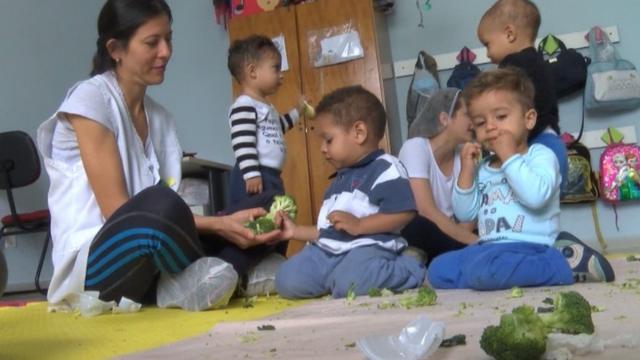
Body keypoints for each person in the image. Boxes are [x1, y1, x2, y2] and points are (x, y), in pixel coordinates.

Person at [37, 0, 282, 312]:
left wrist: (227, 222)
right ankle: (230, 272)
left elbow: (172, 221)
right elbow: (120, 212)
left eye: (169, 39)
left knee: (265, 206)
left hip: (154, 246)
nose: (165, 51)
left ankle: (216, 276)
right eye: (152, 42)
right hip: (97, 264)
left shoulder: (160, 118)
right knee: (162, 205)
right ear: (116, 49)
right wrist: (219, 226)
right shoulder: (91, 100)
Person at [427, 67, 575, 290]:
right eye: (480, 122)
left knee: (490, 269)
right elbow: (464, 213)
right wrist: (467, 171)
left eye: (501, 116)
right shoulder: (484, 167)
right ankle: (484, 275)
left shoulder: (541, 156)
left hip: (532, 246)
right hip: (488, 246)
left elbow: (536, 197)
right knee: (438, 269)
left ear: (529, 119)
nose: (491, 127)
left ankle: (564, 263)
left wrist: (509, 157)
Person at [274, 86, 426, 299]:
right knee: (285, 280)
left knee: (351, 284)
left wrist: (360, 225)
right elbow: (327, 232)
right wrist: (294, 231)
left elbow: (405, 212)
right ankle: (336, 278)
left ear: (359, 132)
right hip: (328, 252)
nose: (322, 149)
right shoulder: (339, 179)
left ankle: (409, 265)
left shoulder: (385, 167)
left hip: (368, 248)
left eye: (328, 140)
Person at [477, 0, 568, 188]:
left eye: (488, 44)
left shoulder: (511, 66)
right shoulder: (539, 63)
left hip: (535, 146)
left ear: (509, 34)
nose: (487, 54)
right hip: (554, 145)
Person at [398, 88, 478, 264]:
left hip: (454, 238)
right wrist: (476, 243)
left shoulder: (465, 154)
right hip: (428, 231)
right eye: (468, 115)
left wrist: (471, 240)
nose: (475, 122)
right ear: (444, 118)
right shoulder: (415, 148)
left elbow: (469, 217)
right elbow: (426, 210)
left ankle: (456, 260)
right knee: (417, 226)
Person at [227, 35, 306, 204]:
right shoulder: (244, 104)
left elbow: (280, 125)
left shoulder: (266, 106)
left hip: (272, 175)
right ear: (253, 71)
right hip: (254, 175)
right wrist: (251, 174)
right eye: (276, 68)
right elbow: (242, 142)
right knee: (255, 222)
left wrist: (299, 111)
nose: (281, 75)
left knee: (274, 218)